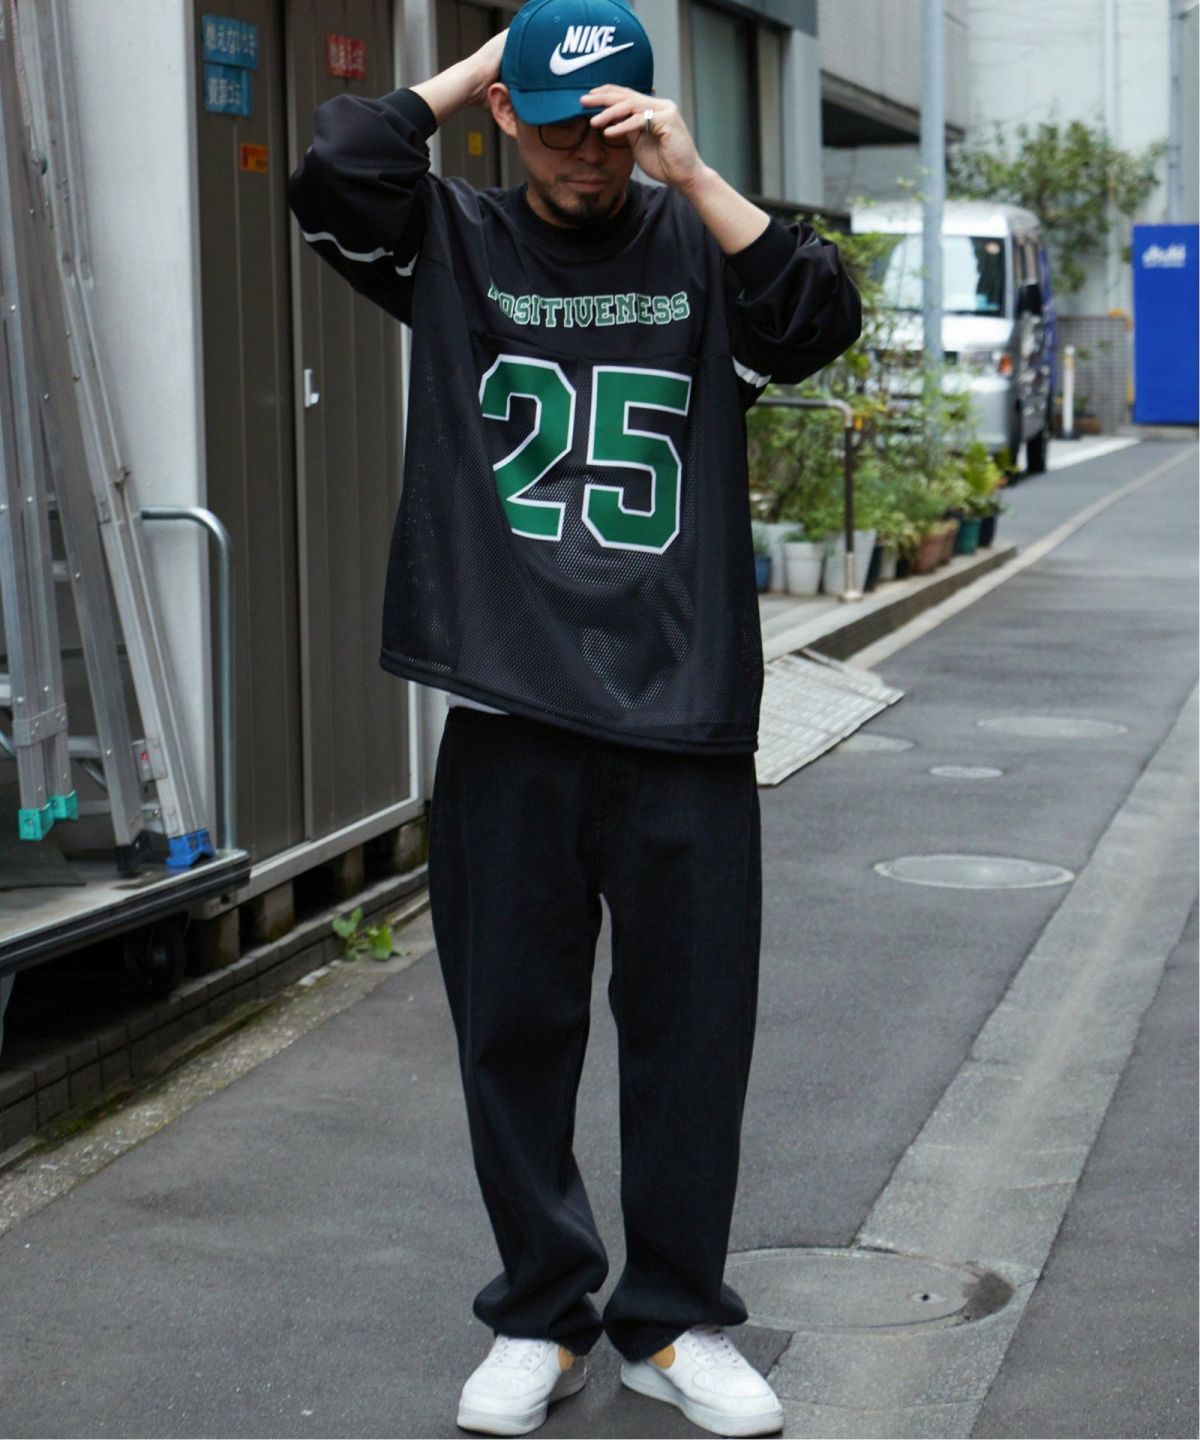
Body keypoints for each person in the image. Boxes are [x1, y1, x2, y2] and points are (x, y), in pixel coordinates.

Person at [288, 2, 860, 1433]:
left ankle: (673, 1323)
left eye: (605, 130)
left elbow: (818, 317)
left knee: (693, 1040)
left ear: (644, 120)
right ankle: (540, 1318)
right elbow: (339, 163)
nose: (581, 158)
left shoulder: (699, 248)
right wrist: (494, 60)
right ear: (506, 117)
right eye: (553, 127)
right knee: (513, 1036)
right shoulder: (452, 241)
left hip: (684, 714)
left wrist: (691, 168)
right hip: (511, 708)